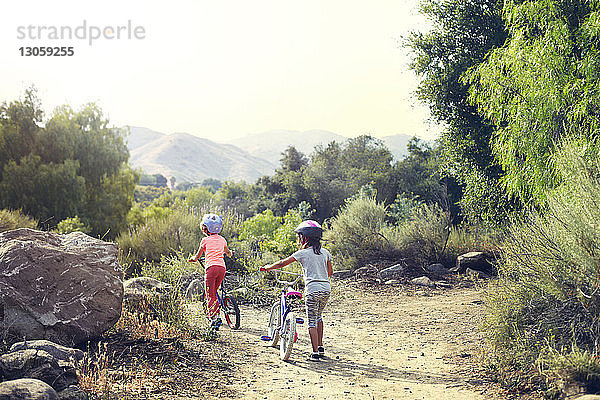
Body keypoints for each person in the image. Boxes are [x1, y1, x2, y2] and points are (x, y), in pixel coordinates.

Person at [260, 220, 333, 361]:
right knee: (319, 317)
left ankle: (315, 353)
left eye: (299, 236)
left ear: (304, 237)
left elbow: (282, 263)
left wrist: (268, 267)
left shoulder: (302, 253)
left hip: (313, 290)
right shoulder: (325, 252)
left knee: (311, 321)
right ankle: (321, 346)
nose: (298, 239)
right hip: (326, 289)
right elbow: (330, 273)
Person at [188, 213, 232, 329]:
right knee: (214, 291)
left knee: (210, 294)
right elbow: (228, 253)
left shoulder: (205, 241)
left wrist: (193, 259)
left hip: (211, 269)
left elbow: (197, 256)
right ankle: (218, 311)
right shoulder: (222, 240)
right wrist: (230, 253)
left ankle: (215, 318)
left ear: (205, 228)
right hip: (222, 268)